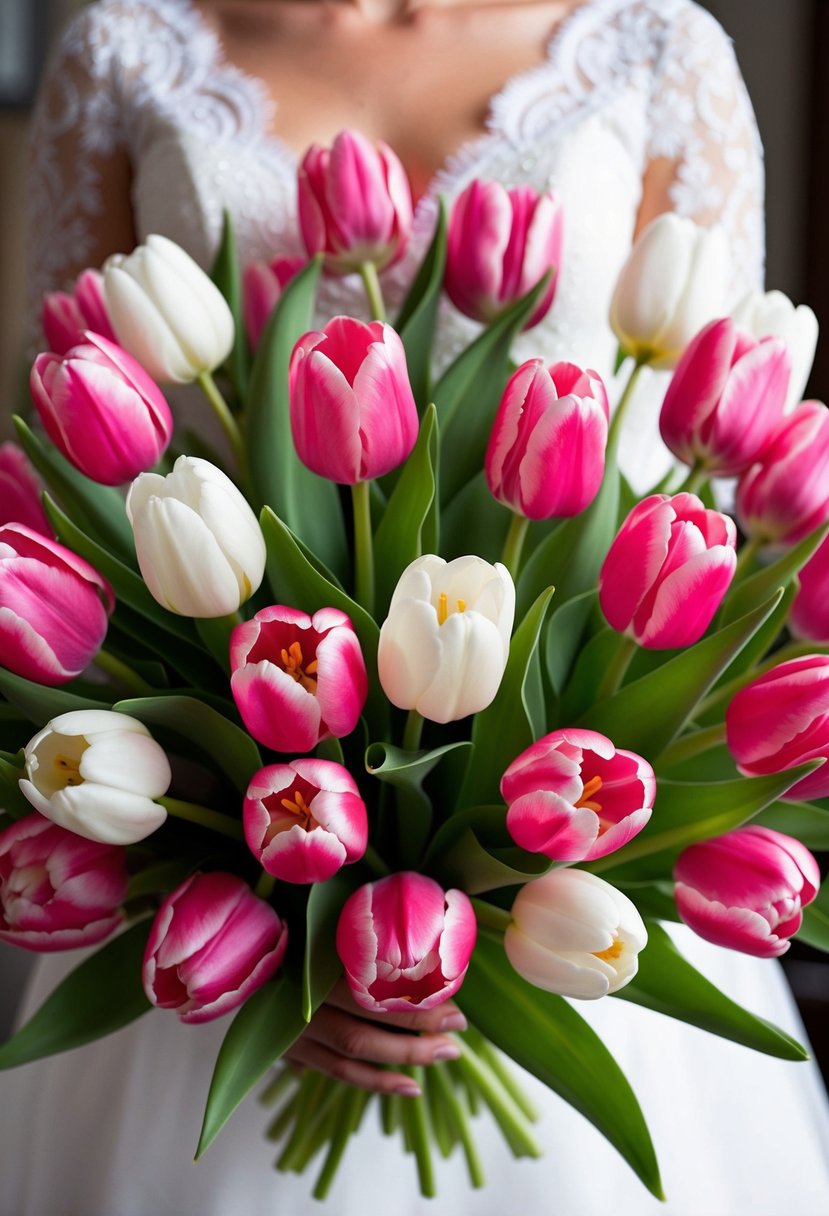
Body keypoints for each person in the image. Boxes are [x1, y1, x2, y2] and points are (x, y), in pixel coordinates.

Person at [3, 0, 829, 1213]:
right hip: (224, 856)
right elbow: (70, 458)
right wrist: (276, 926)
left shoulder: (657, 45)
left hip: (570, 853)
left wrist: (487, 911)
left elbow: (681, 489)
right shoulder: (125, 47)